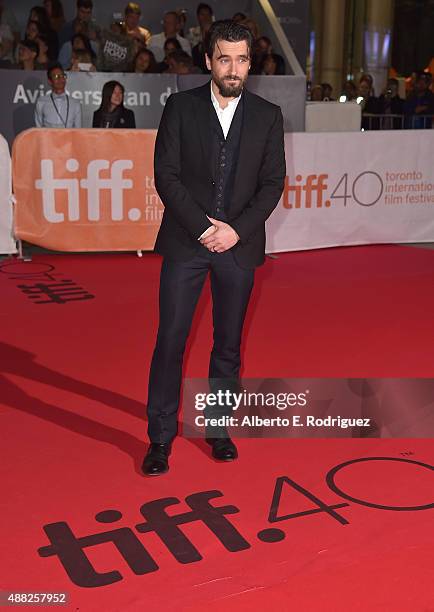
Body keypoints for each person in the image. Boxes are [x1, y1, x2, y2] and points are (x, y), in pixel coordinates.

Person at [142, 20, 285, 476]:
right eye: (224, 58)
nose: (233, 68)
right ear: (208, 60)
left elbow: (271, 184)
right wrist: (204, 229)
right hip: (188, 243)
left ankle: (218, 428)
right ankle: (160, 436)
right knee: (171, 340)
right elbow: (166, 174)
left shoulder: (267, 116)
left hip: (237, 248)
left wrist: (235, 231)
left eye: (241, 59)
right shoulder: (180, 108)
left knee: (227, 345)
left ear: (250, 63)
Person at [34, 63, 82, 128]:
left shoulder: (75, 103)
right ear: (49, 81)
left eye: (63, 76)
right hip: (48, 137)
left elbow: (78, 130)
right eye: (56, 76)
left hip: (68, 137)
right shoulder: (41, 101)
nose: (60, 79)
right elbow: (38, 128)